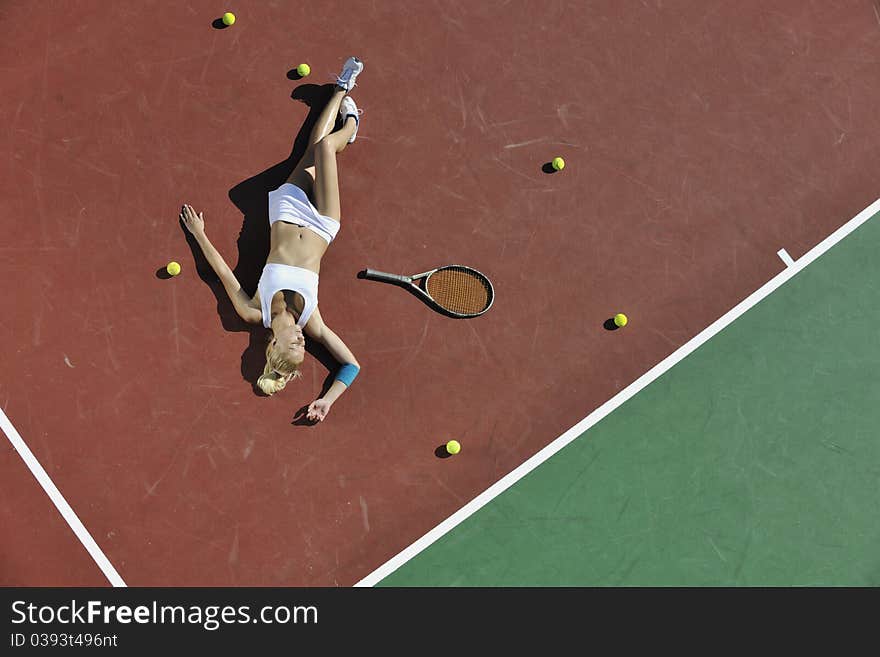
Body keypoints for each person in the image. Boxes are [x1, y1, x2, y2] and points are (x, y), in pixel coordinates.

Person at [180, 56, 365, 423]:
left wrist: (199, 235)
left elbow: (221, 273)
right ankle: (353, 122)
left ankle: (342, 89)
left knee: (313, 149)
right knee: (326, 149)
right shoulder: (312, 322)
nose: (303, 340)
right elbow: (351, 365)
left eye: (295, 344)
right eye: (303, 344)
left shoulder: (253, 311)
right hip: (324, 222)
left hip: (286, 211)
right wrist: (328, 400)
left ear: (274, 345)